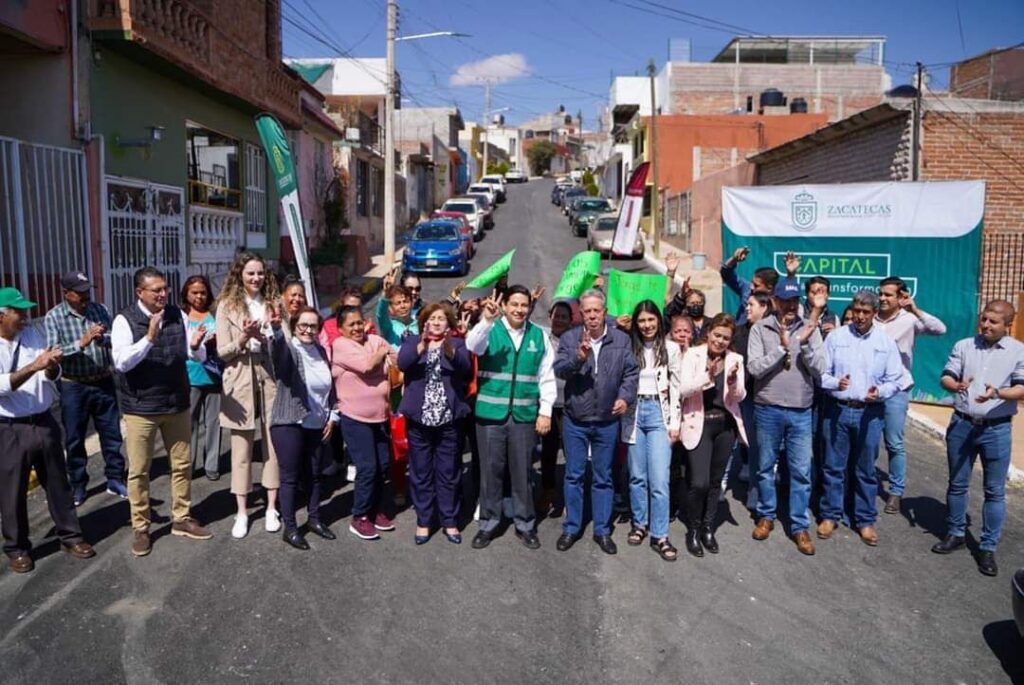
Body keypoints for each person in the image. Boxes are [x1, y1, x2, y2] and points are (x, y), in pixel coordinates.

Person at [111, 267, 213, 556]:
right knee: (139, 471)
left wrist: (196, 346)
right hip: (141, 407)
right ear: (139, 292)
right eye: (156, 290)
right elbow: (121, 363)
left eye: (165, 288)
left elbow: (195, 353)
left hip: (176, 402)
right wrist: (149, 339)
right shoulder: (124, 320)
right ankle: (141, 528)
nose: (163, 294)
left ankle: (181, 518)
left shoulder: (176, 314)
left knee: (181, 465)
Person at [0, 287, 95, 573]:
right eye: (18, 312)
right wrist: (34, 365)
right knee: (11, 491)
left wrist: (52, 366)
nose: (26, 317)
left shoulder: (31, 334)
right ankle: (17, 548)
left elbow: (47, 373)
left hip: (43, 421)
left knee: (58, 484)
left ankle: (70, 536)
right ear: (1, 316)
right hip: (10, 428)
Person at [932, 300, 1023, 577]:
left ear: (1007, 325)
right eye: (983, 319)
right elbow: (946, 377)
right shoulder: (964, 345)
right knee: (957, 483)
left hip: (996, 430)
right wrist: (956, 385)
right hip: (962, 424)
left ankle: (987, 547)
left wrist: (997, 393)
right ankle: (956, 533)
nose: (985, 325)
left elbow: (1021, 388)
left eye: (993, 322)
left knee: (994, 491)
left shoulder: (1018, 351)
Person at [466, 286, 556, 550]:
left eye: (524, 305)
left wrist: (545, 411)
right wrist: (485, 320)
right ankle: (488, 524)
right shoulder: (490, 329)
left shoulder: (539, 336)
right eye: (514, 304)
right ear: (504, 305)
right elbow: (472, 345)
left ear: (530, 307)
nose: (519, 310)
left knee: (522, 472)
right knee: (490, 472)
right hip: (490, 415)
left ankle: (525, 524)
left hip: (524, 416)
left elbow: (546, 377)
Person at [554, 289, 638, 555]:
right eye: (587, 311)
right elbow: (560, 369)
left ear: (605, 311)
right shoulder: (569, 337)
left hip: (606, 420)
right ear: (581, 313)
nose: (592, 316)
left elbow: (631, 373)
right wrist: (579, 357)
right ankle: (571, 527)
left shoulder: (621, 340)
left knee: (603, 478)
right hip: (576, 419)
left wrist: (625, 397)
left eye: (596, 311)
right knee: (574, 475)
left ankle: (602, 530)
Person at [817, 289, 903, 547]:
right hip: (838, 409)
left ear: (875, 314)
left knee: (865, 470)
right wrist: (835, 383)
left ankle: (865, 520)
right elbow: (821, 374)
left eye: (866, 312)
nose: (860, 316)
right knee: (833, 466)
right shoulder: (835, 338)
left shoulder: (885, 343)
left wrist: (880, 392)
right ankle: (830, 514)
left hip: (870, 414)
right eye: (856, 311)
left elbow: (894, 379)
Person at [747, 278, 826, 555]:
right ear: (775, 302)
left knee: (801, 471)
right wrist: (781, 349)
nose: (791, 306)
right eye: (785, 301)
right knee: (766, 467)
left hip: (801, 411)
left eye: (795, 301)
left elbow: (820, 370)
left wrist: (803, 345)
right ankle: (766, 515)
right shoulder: (760, 329)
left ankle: (799, 526)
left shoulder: (809, 329)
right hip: (768, 408)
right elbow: (755, 369)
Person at [43, 270, 126, 505]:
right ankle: (78, 484)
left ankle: (115, 478)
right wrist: (81, 342)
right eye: (79, 293)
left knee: (111, 434)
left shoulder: (100, 310)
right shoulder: (54, 317)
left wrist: (103, 339)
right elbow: (53, 353)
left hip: (103, 380)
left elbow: (115, 338)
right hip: (74, 385)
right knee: (74, 438)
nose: (84, 297)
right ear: (66, 294)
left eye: (86, 292)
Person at [215, 252, 282, 540]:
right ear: (239, 275)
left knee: (272, 443)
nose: (256, 278)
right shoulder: (226, 306)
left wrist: (271, 334)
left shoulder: (273, 304)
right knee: (241, 448)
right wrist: (244, 338)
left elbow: (285, 345)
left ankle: (270, 508)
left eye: (260, 273)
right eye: (250, 273)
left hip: (268, 374)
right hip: (239, 375)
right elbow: (222, 351)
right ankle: (241, 512)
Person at [398, 304, 472, 545]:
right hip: (420, 421)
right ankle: (424, 520)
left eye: (441, 319)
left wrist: (449, 349)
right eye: (432, 318)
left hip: (448, 420)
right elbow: (403, 363)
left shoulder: (458, 344)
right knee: (420, 472)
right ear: (424, 323)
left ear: (449, 324)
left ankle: (449, 519)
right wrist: (421, 345)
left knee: (449, 472)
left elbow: (465, 368)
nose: (437, 322)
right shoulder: (412, 342)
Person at [267, 306, 339, 550]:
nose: (308, 330)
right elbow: (280, 357)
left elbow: (330, 387)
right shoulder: (291, 349)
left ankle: (315, 519)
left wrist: (333, 416)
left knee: (315, 474)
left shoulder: (319, 350)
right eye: (303, 326)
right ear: (294, 327)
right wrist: (277, 331)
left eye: (313, 326)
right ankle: (290, 528)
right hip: (289, 422)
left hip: (317, 423)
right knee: (290, 478)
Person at [875, 276, 947, 514]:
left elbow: (939, 329)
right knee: (869, 442)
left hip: (897, 390)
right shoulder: (869, 319)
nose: (883, 298)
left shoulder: (910, 321)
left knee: (894, 443)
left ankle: (895, 491)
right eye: (881, 294)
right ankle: (864, 485)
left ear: (901, 297)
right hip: (871, 391)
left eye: (889, 295)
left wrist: (915, 309)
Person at [677, 313, 747, 557]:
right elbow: (684, 389)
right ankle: (693, 529)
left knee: (716, 481)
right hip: (700, 424)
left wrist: (732, 378)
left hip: (725, 426)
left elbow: (740, 396)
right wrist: (708, 376)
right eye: (717, 335)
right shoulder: (693, 355)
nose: (720, 341)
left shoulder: (735, 359)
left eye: (725, 338)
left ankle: (708, 527)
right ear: (708, 333)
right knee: (699, 482)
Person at [622, 300, 681, 561]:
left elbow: (677, 388)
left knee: (659, 479)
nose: (646, 325)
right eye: (641, 320)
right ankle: (639, 523)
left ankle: (660, 534)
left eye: (651, 319)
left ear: (659, 320)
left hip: (659, 413)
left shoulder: (671, 349)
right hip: (634, 413)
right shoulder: (628, 347)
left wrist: (675, 423)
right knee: (637, 476)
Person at [331, 305, 396, 541]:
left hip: (380, 415)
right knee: (367, 467)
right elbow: (368, 366)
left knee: (383, 465)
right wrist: (379, 355)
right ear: (341, 329)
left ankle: (374, 509)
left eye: (360, 322)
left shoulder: (374, 339)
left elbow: (395, 359)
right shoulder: (340, 346)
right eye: (352, 324)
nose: (357, 327)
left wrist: (380, 354)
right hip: (354, 417)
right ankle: (359, 517)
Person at [730, 292, 772, 508]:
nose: (747, 309)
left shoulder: (774, 332)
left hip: (770, 398)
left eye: (752, 305)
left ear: (764, 307)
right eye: (747, 305)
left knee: (770, 451)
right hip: (748, 399)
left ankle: (769, 496)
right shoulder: (740, 332)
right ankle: (755, 495)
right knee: (754, 447)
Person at [181, 275, 222, 480]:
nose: (199, 296)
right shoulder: (181, 316)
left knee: (213, 422)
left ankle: (212, 465)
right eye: (194, 292)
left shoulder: (215, 313)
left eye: (203, 292)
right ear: (186, 294)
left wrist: (216, 342)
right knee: (190, 423)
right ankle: (189, 464)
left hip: (214, 376)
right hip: (190, 377)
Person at [537, 300, 572, 517]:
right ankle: (548, 493)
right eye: (556, 316)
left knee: (571, 452)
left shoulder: (576, 339)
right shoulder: (541, 337)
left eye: (564, 317)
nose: (559, 320)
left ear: (570, 321)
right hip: (547, 404)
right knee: (548, 452)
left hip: (570, 405)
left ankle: (571, 497)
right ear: (549, 316)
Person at [720, 247, 797, 324]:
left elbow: (790, 296)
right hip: (742, 334)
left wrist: (791, 274)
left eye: (756, 285)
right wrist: (734, 259)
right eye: (752, 283)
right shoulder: (747, 290)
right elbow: (726, 273)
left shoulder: (779, 300)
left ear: (769, 288)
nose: (751, 287)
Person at [376, 271, 419, 349]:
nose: (402, 306)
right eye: (398, 303)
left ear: (412, 303)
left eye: (405, 302)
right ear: (391, 308)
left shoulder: (420, 325)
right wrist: (386, 292)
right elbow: (381, 314)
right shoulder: (389, 326)